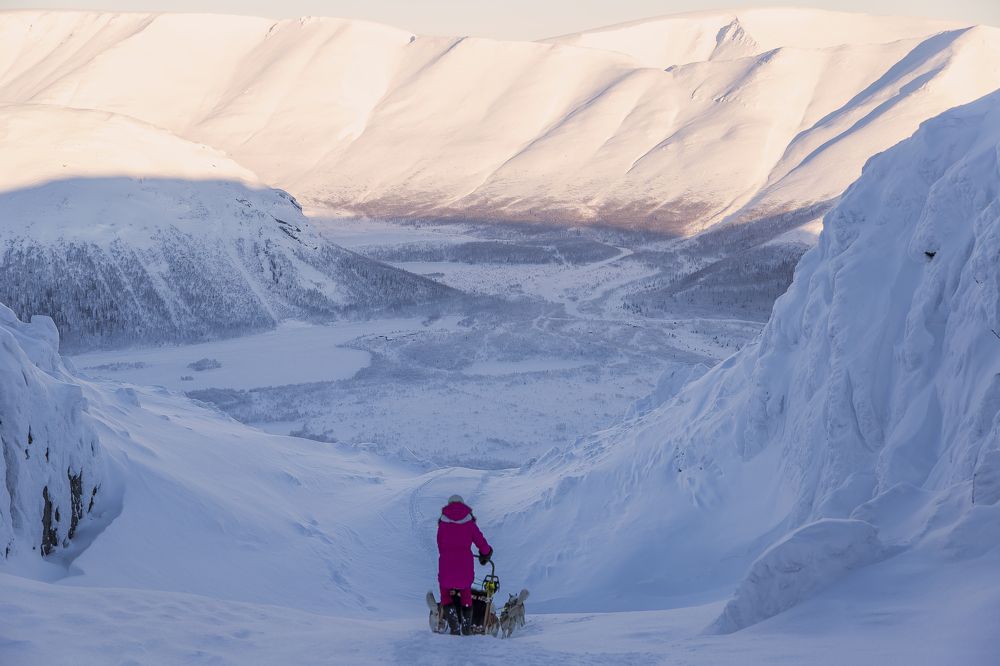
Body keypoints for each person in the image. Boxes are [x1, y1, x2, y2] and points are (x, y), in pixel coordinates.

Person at [437, 494, 492, 635]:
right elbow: (482, 544)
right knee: (465, 591)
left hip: (446, 565)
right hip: (465, 566)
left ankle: (454, 626)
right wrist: (486, 554)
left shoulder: (442, 524)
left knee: (445, 591)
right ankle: (466, 627)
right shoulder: (470, 524)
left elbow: (440, 545)